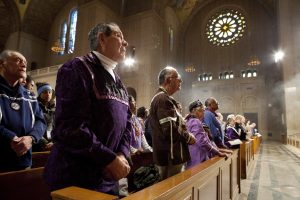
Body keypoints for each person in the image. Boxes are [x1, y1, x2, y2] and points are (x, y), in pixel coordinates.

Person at [44, 22, 132, 195]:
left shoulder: (118, 81)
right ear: (102, 39)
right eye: (120, 36)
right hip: (75, 178)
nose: (125, 42)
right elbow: (70, 127)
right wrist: (109, 159)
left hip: (107, 177)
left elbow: (128, 122)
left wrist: (122, 154)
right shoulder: (76, 68)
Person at [0, 50, 46, 172]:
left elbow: (40, 121)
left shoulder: (30, 96)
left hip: (23, 162)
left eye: (25, 62)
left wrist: (31, 138)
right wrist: (11, 138)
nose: (24, 65)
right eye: (18, 60)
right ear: (2, 64)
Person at [149, 66, 196, 180]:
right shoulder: (163, 99)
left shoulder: (164, 98)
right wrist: (188, 137)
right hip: (170, 157)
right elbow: (170, 130)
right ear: (169, 79)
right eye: (178, 78)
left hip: (170, 156)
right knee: (173, 193)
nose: (180, 81)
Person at [186, 100, 231, 169]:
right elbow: (202, 142)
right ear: (193, 110)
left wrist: (219, 150)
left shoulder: (190, 121)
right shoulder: (195, 121)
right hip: (199, 158)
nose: (203, 113)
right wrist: (218, 152)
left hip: (194, 156)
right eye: (200, 110)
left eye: (203, 111)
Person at [32, 82, 55, 151]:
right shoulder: (34, 106)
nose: (48, 94)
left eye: (49, 92)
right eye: (44, 92)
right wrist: (44, 143)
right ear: (40, 94)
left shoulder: (54, 108)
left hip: (51, 143)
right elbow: (32, 127)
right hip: (38, 143)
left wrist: (54, 141)